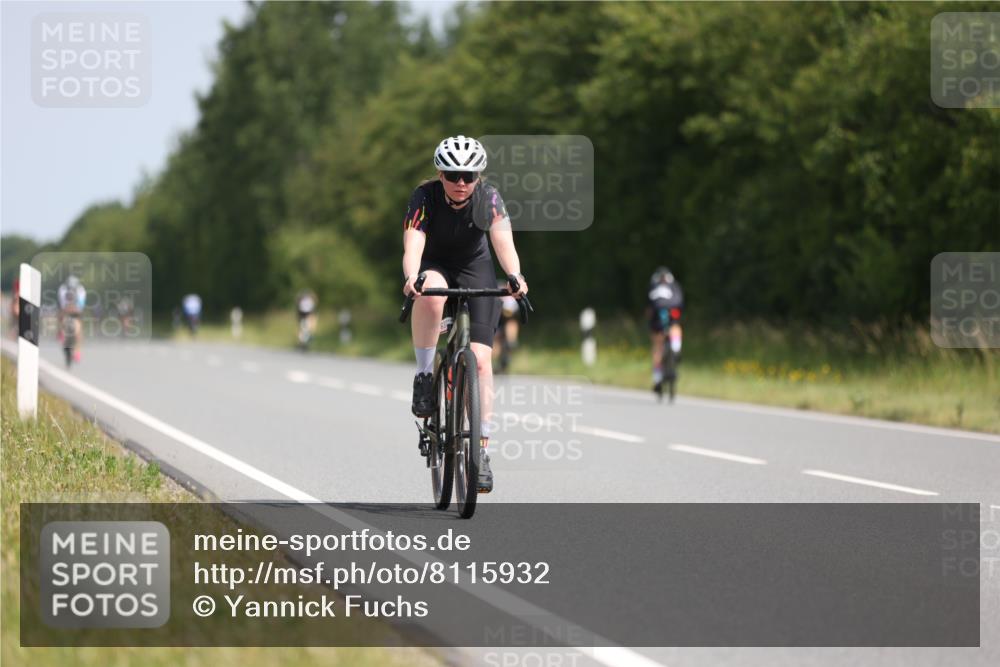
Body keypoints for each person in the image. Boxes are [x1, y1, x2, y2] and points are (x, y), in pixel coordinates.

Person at [402, 135, 528, 493]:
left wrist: (515, 275)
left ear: (478, 177)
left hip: (476, 266)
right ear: (440, 174)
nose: (461, 182)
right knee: (430, 294)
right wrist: (412, 277)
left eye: (469, 175)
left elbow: (504, 242)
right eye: (453, 174)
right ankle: (425, 375)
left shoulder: (488, 198)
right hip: (436, 264)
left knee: (482, 361)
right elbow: (413, 243)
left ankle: (482, 451)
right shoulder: (423, 198)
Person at [647, 266, 684, 393]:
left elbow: (649, 307)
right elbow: (680, 303)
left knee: (657, 349)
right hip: (670, 315)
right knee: (676, 328)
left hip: (657, 319)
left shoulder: (653, 286)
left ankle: (657, 379)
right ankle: (676, 349)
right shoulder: (673, 286)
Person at [57, 274, 87, 362]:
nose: (71, 290)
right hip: (65, 308)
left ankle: (77, 351)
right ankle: (60, 332)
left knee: (79, 330)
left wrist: (76, 310)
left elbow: (81, 305)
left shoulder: (81, 290)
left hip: (76, 310)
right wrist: (64, 311)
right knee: (61, 316)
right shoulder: (62, 289)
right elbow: (62, 304)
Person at [493, 280, 520, 373]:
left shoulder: (508, 298)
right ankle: (496, 361)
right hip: (494, 323)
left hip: (504, 322)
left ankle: (510, 342)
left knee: (511, 322)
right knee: (496, 341)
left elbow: (510, 313)